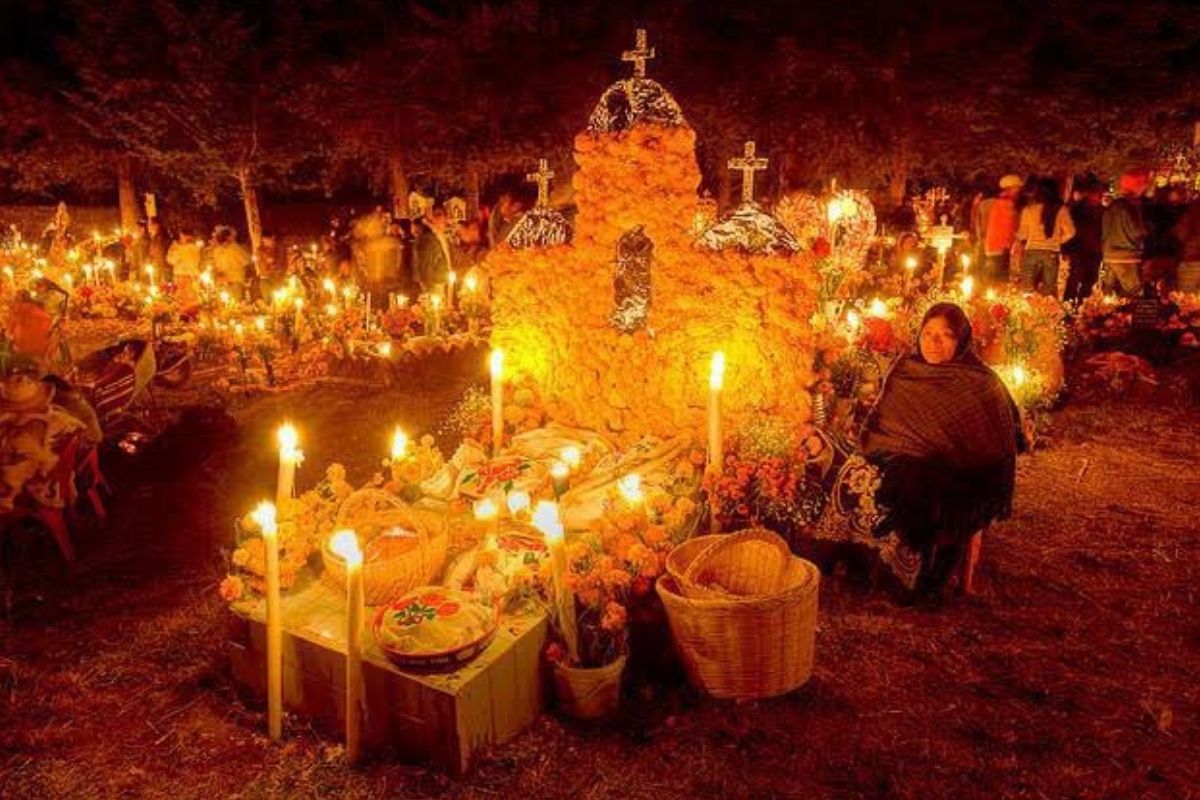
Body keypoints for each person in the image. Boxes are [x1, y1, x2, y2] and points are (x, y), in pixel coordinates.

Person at [862, 303, 1025, 598]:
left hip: (963, 473)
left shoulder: (980, 382)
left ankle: (922, 575)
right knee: (895, 476)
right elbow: (884, 427)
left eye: (945, 335)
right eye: (927, 333)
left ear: (960, 339)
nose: (933, 343)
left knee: (925, 487)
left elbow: (995, 448)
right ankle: (882, 563)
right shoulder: (906, 370)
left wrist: (935, 456)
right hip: (902, 460)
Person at [1015, 177, 1075, 296]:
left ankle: (1027, 313)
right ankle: (1047, 313)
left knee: (1027, 289)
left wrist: (1015, 236)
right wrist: (1057, 240)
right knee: (1049, 290)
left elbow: (1023, 234)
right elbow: (1070, 232)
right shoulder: (1061, 209)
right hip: (1051, 252)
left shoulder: (1028, 210)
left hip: (1031, 251)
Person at [1101, 170, 1150, 296]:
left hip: (1109, 255)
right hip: (1127, 256)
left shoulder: (1111, 207)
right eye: (1143, 184)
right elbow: (1136, 231)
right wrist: (1148, 228)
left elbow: (1104, 231)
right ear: (1136, 185)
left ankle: (1106, 315)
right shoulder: (1130, 207)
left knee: (1108, 296)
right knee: (1135, 293)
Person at [1062, 176, 1104, 302]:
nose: (1099, 196)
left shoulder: (1101, 210)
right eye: (1097, 193)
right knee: (1075, 278)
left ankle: (1082, 306)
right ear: (1090, 194)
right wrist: (1066, 249)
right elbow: (1070, 228)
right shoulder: (1077, 209)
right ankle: (1068, 306)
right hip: (1079, 249)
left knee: (1090, 280)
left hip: (1095, 250)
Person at [981, 175, 1023, 284]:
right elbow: (1012, 227)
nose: (1019, 191)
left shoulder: (995, 203)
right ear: (1010, 188)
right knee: (999, 282)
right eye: (1017, 188)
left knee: (991, 280)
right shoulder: (1007, 205)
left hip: (992, 246)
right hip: (1001, 247)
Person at [413, 206, 455, 294]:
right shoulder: (425, 239)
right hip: (434, 285)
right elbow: (421, 266)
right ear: (430, 219)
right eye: (436, 216)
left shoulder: (445, 237)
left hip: (445, 283)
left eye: (441, 215)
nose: (439, 219)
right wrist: (426, 286)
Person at [210, 226, 251, 300]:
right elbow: (215, 265)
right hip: (223, 281)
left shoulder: (236, 249)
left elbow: (246, 261)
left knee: (235, 303)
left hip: (235, 281)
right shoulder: (217, 250)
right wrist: (217, 274)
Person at [1172, 195, 1200, 293]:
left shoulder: (1195, 206)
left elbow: (1180, 232)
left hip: (1192, 261)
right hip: (1192, 260)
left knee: (1188, 302)